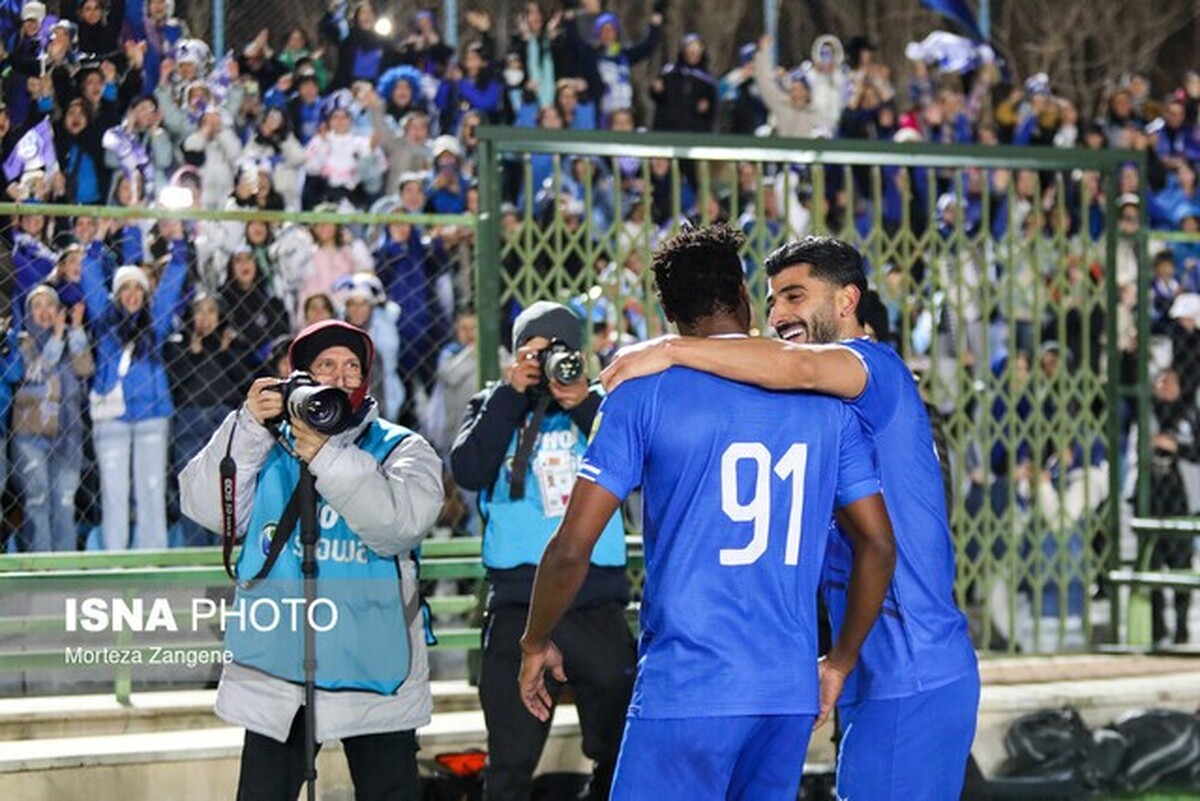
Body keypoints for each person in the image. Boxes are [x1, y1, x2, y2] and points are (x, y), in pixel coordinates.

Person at [519, 226, 896, 800]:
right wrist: (839, 660)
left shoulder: (642, 392)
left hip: (689, 687)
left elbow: (573, 548)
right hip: (785, 692)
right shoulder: (825, 403)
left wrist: (534, 641)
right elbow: (878, 544)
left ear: (669, 311)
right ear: (745, 297)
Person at [601, 234, 981, 800]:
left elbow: (797, 366)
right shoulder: (828, 405)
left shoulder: (870, 365)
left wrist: (672, 350)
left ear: (847, 301)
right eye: (773, 299)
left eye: (796, 297)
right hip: (887, 672)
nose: (778, 315)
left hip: (910, 670)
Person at [179, 319, 444, 800]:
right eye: (325, 365)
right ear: (298, 377)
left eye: (351, 366)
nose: (340, 376)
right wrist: (246, 429)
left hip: (373, 665)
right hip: (282, 668)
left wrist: (326, 455)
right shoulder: (267, 440)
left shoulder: (402, 447)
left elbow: (397, 526)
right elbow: (203, 506)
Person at [449, 301, 635, 801]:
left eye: (558, 352)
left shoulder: (605, 406)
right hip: (518, 602)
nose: (546, 362)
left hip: (596, 598)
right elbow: (467, 470)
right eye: (533, 353)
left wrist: (580, 404)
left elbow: (642, 469)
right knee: (509, 761)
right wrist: (511, 395)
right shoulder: (494, 404)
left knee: (621, 751)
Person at [82, 228, 187, 550]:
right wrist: (94, 245)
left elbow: (171, 288)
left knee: (152, 488)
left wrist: (180, 246)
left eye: (136, 288)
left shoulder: (156, 322)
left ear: (144, 294)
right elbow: (90, 283)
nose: (130, 293)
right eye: (124, 287)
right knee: (113, 490)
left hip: (152, 414)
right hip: (111, 416)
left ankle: (151, 556)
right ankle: (114, 559)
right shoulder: (103, 320)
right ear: (116, 293)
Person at [11, 286, 91, 552]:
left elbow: (85, 368)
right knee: (37, 500)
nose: (44, 311)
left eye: (49, 305)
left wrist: (76, 329)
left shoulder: (73, 338)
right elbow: (38, 372)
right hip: (30, 434)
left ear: (59, 311)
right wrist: (57, 338)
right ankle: (41, 564)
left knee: (65, 502)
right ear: (29, 312)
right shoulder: (22, 342)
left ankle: (64, 567)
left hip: (68, 434)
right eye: (37, 306)